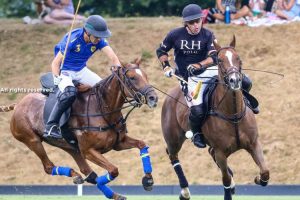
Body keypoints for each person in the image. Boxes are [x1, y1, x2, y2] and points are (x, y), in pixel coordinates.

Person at [43, 15, 121, 139]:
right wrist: (57, 79)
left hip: (81, 70)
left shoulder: (99, 40)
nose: (98, 40)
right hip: (65, 71)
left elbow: (113, 57)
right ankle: (51, 125)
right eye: (96, 36)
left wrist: (117, 68)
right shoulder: (72, 40)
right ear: (87, 32)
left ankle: (109, 120)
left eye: (100, 37)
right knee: (69, 93)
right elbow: (55, 63)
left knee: (105, 89)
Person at [156, 4, 219, 148]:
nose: (196, 25)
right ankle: (197, 134)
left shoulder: (208, 34)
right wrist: (166, 66)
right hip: (188, 78)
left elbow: (213, 57)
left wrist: (199, 65)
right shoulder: (174, 35)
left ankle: (248, 102)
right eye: (192, 22)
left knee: (235, 78)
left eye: (198, 21)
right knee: (196, 110)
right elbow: (161, 51)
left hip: (207, 72)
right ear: (186, 23)